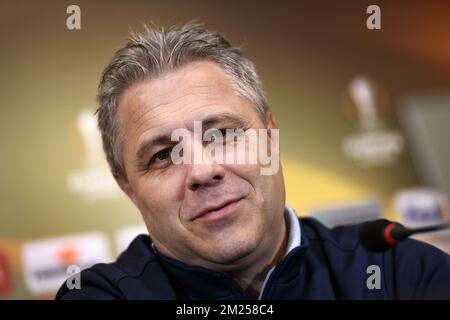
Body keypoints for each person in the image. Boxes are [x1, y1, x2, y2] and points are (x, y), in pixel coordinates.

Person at [56, 23, 450, 300]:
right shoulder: (102, 295)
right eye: (162, 155)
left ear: (270, 136)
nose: (203, 170)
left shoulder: (398, 269)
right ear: (128, 188)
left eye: (223, 135)